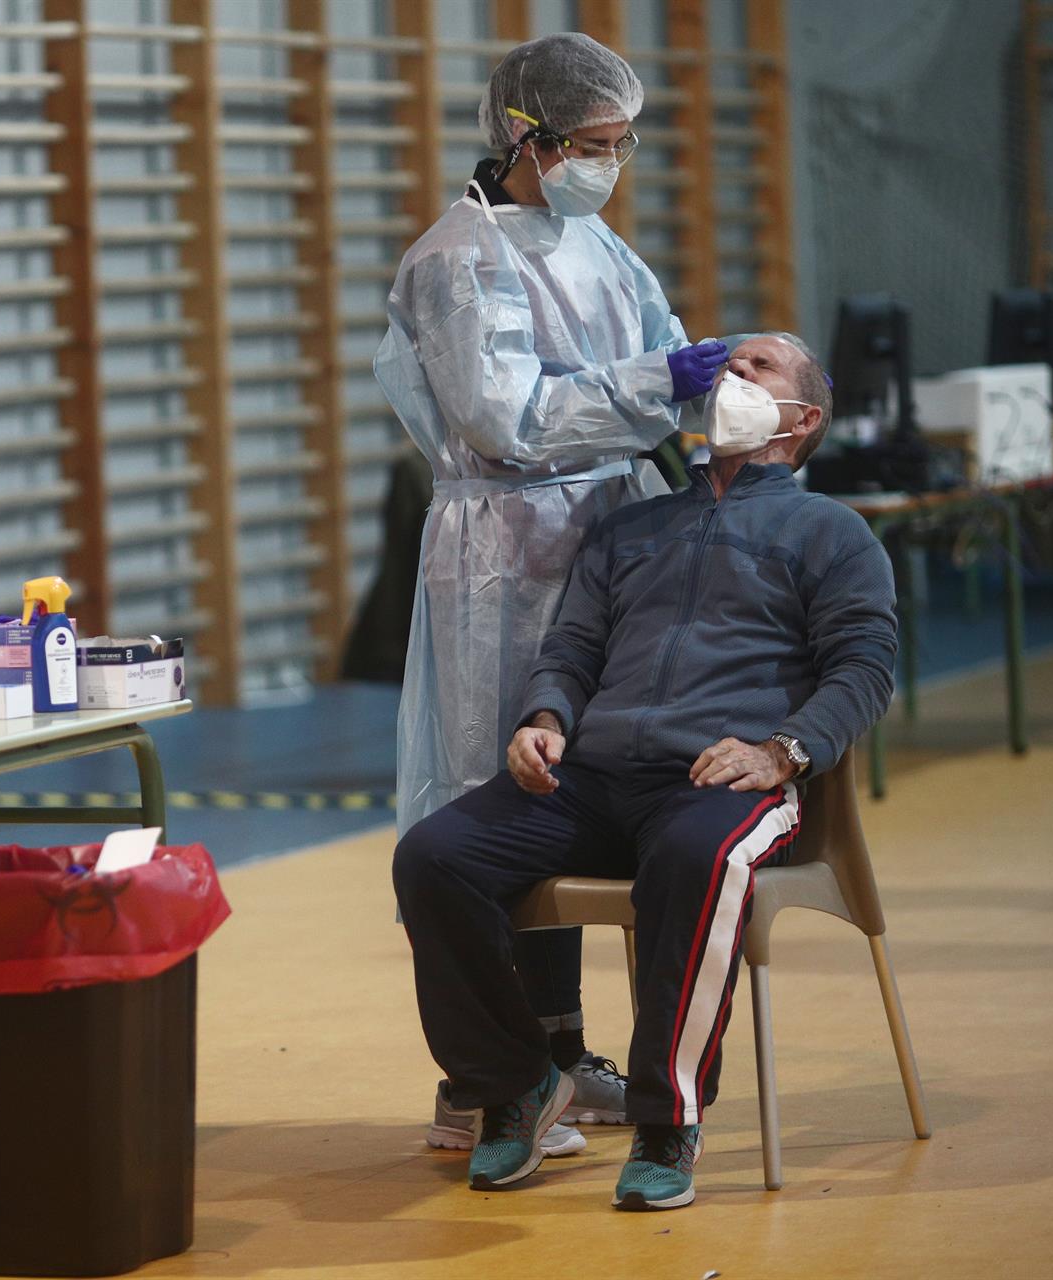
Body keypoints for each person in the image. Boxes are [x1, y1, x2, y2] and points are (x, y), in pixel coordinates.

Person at [391, 335, 896, 1210]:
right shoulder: (632, 525)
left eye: (759, 368)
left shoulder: (831, 532)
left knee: (696, 861)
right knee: (433, 858)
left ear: (803, 418)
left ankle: (668, 1122)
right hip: (591, 779)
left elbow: (866, 665)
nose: (732, 375)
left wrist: (780, 753)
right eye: (728, 363)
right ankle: (516, 1084)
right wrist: (544, 719)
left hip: (720, 784)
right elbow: (574, 648)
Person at [374, 31, 730, 1147]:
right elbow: (510, 419)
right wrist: (657, 388)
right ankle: (487, 1076)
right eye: (592, 143)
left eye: (624, 144)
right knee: (504, 791)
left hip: (608, 537)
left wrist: (725, 397)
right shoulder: (460, 260)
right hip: (507, 554)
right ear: (526, 136)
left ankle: (564, 1048)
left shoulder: (602, 249)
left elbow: (668, 362)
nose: (609, 164)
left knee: (574, 787)